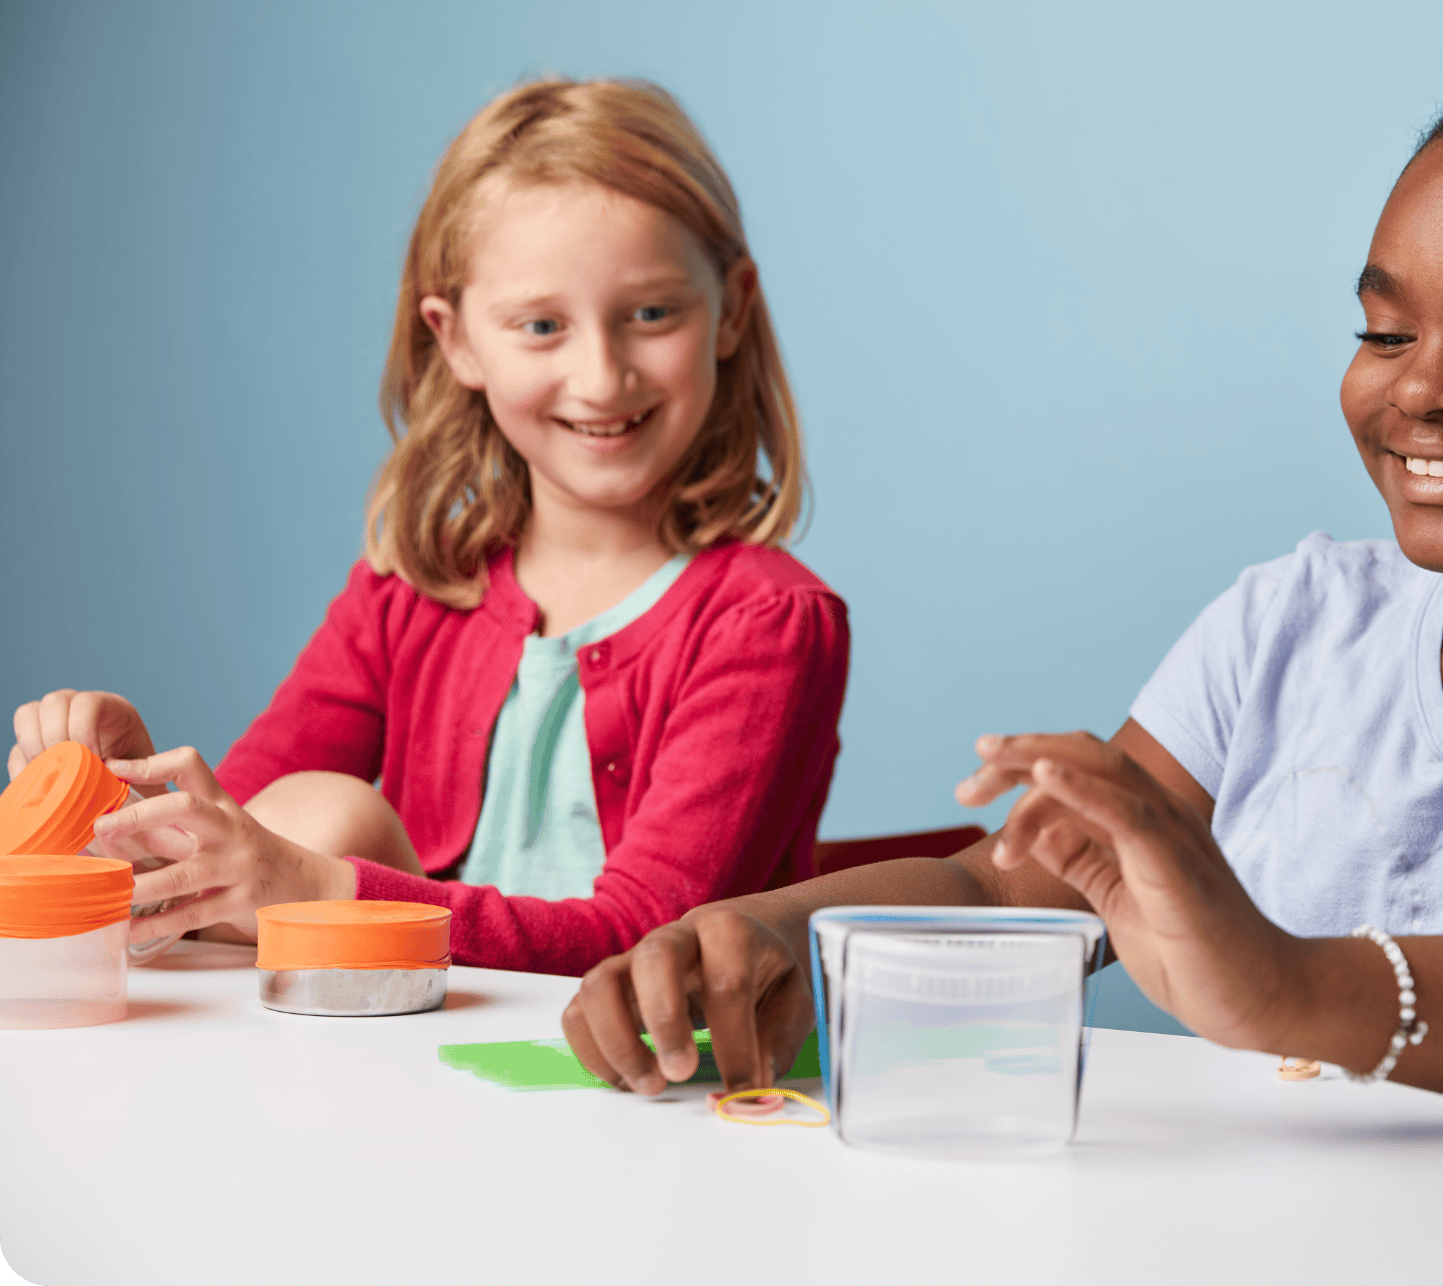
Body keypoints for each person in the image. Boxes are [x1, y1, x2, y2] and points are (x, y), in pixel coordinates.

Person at [560, 0, 1443, 1114]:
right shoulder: (1296, 621)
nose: (1427, 390)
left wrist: (1299, 987)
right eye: (1384, 329)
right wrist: (756, 934)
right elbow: (1014, 898)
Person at [7, 79, 850, 975]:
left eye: (651, 314)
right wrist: (136, 794)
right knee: (309, 818)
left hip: (643, 1076)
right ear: (457, 342)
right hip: (420, 1066)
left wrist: (328, 889)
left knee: (335, 829)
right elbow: (245, 841)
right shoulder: (410, 591)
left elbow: (646, 939)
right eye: (541, 326)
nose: (602, 377)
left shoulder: (769, 625)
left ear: (732, 310)